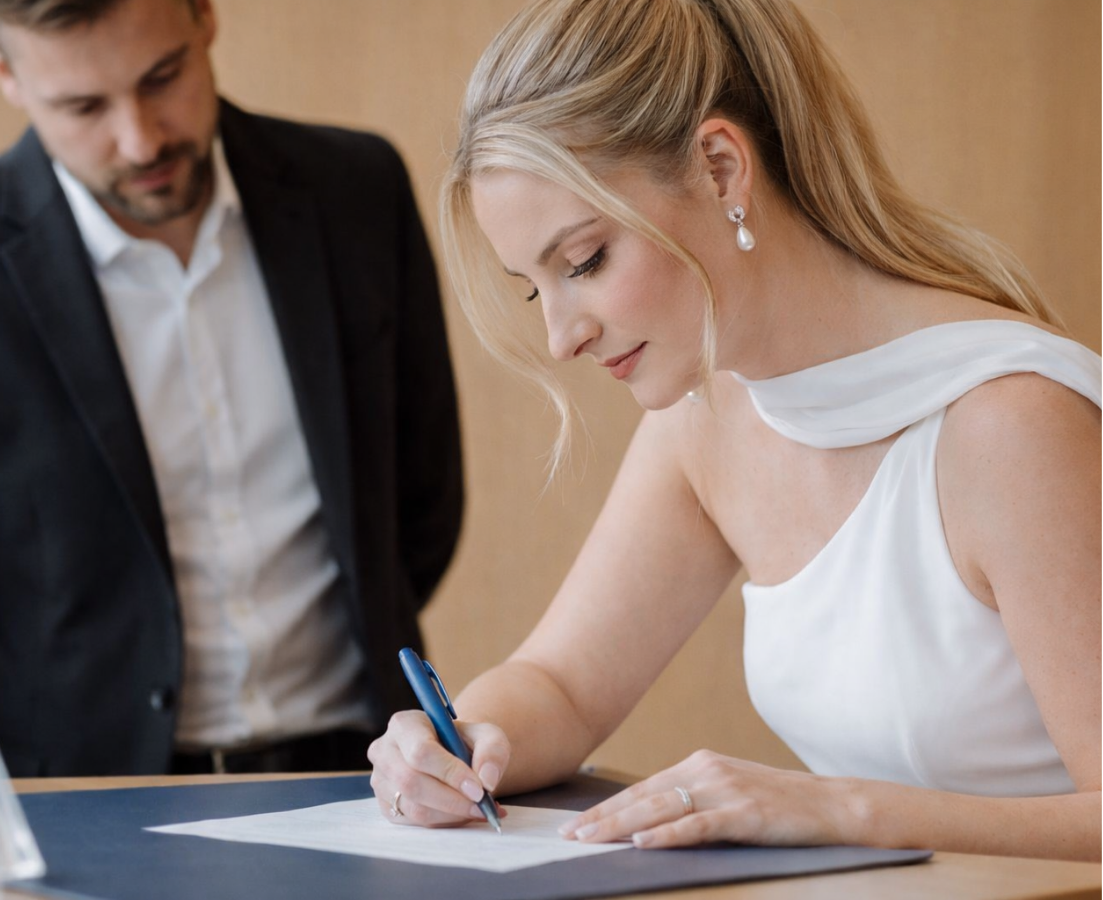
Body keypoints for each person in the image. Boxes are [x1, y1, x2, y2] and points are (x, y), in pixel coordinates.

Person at [368, 0, 1099, 861]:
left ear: (720, 169)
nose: (562, 337)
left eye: (585, 263)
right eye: (537, 287)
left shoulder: (1012, 424)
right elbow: (561, 687)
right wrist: (458, 746)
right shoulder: (709, 417)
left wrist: (839, 811)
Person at [0, 0, 462, 777]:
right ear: (7, 73)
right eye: (83, 107)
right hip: (78, 810)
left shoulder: (356, 192)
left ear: (204, 17)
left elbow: (424, 503)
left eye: (162, 78)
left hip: (358, 778)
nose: (141, 140)